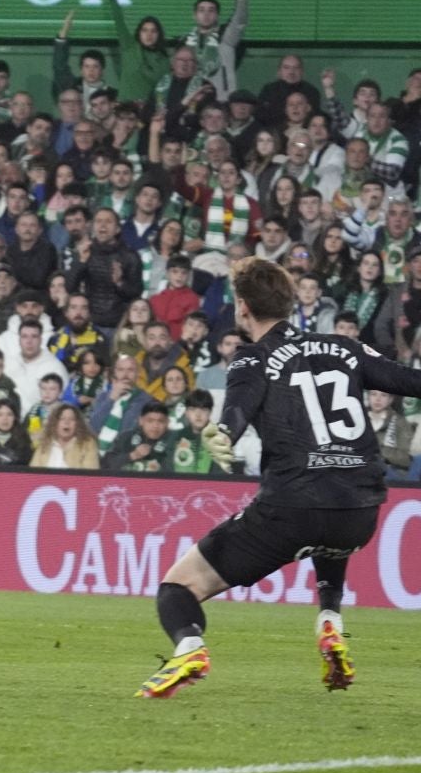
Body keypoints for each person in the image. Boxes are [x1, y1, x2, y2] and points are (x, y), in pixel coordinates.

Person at [138, 259, 421, 700]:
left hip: (292, 509)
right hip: (360, 512)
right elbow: (409, 380)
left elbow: (239, 406)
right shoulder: (344, 346)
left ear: (243, 307)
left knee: (179, 586)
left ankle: (190, 648)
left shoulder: (252, 356)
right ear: (290, 303)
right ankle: (330, 620)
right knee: (330, 521)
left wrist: (223, 433)